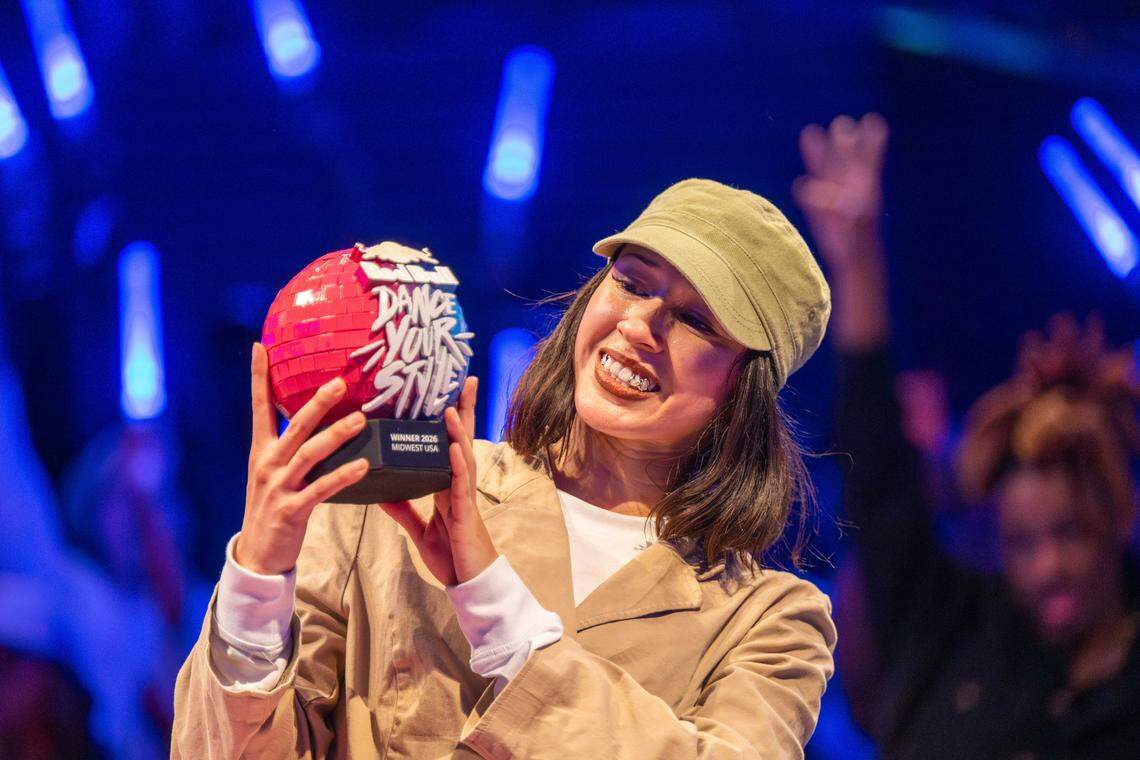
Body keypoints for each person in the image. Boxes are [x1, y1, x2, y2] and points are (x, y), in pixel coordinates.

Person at [172, 179, 838, 758]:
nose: (639, 325)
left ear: (745, 388)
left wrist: (492, 602)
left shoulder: (770, 623)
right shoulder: (395, 495)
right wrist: (257, 581)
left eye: (695, 320)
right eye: (631, 283)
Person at [794, 113, 1140, 757]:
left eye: (1069, 532)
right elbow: (878, 468)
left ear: (1116, 517)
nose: (1049, 567)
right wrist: (858, 261)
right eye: (1022, 543)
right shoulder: (955, 631)